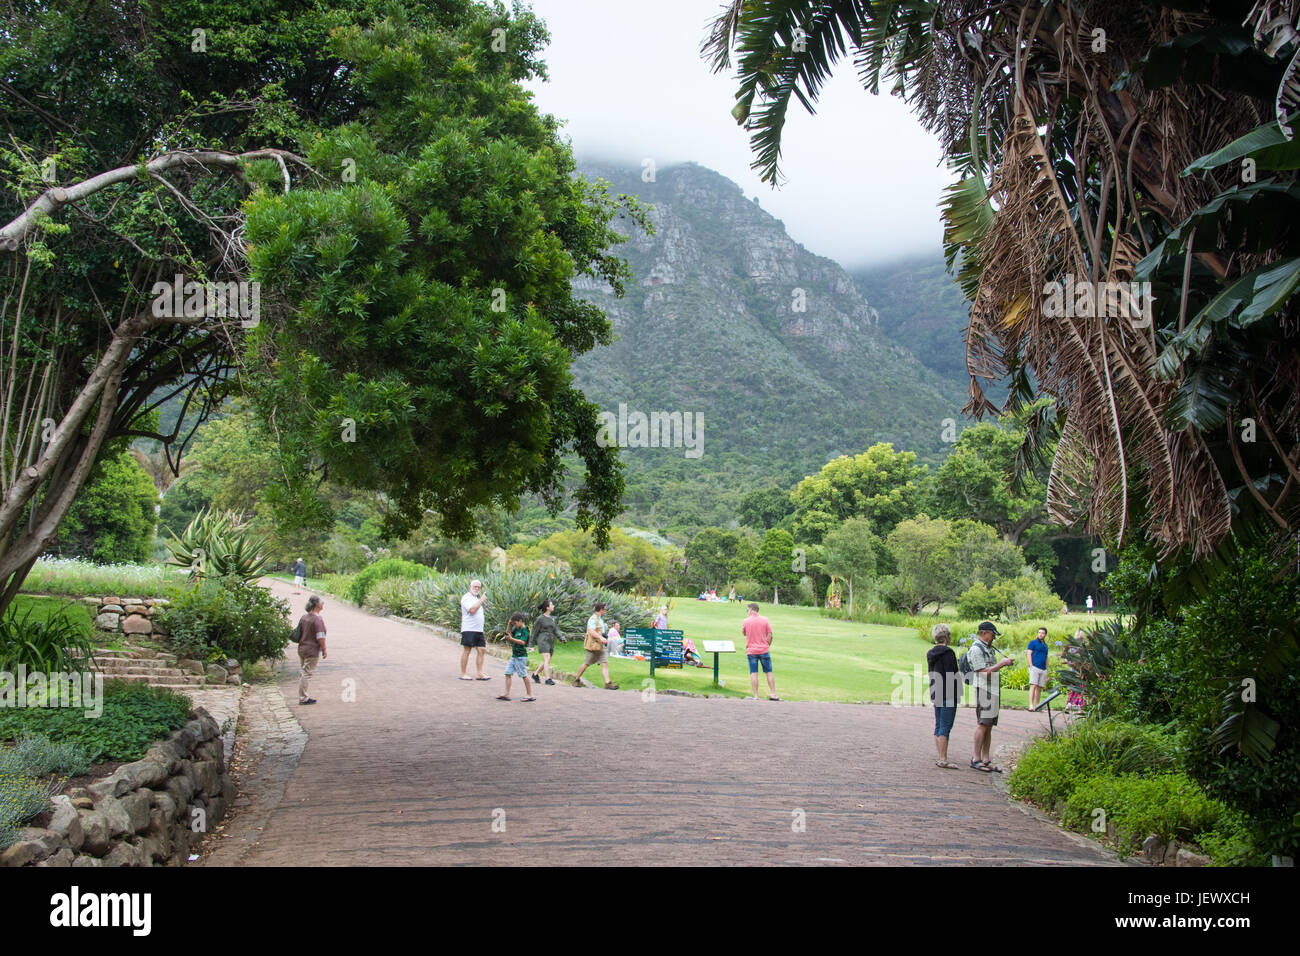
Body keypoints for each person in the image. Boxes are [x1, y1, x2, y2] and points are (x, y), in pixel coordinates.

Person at [967, 621, 1015, 772]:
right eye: (992, 634)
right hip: (984, 690)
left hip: (993, 690)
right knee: (983, 724)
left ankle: (986, 759)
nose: (993, 637)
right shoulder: (976, 649)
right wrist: (1002, 664)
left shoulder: (988, 648)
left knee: (989, 726)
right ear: (984, 632)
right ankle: (976, 758)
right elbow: (983, 672)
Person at [927, 623, 960, 769]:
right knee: (946, 726)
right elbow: (952, 673)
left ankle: (940, 756)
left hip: (936, 691)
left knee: (939, 724)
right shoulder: (949, 653)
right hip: (948, 692)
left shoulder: (931, 653)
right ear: (947, 636)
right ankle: (943, 758)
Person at [573, 602, 619, 689]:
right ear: (601, 609)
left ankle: (607, 683)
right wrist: (601, 638)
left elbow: (601, 631)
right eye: (605, 609)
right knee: (586, 663)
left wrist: (605, 637)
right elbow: (591, 631)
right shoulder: (592, 619)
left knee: (605, 662)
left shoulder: (600, 619)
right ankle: (576, 680)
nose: (605, 611)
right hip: (593, 646)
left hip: (601, 646)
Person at [741, 603, 779, 700]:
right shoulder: (765, 620)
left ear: (751, 610)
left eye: (747, 610)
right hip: (764, 649)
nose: (747, 612)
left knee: (754, 673)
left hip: (751, 650)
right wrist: (767, 645)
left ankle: (756, 696)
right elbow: (770, 634)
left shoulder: (746, 621)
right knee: (769, 672)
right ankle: (773, 694)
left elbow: (744, 633)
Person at [497, 612, 536, 702]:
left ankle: (529, 694)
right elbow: (507, 634)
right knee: (507, 673)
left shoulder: (525, 630)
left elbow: (522, 642)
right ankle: (506, 694)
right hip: (514, 656)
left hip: (521, 657)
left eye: (515, 623)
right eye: (513, 624)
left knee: (523, 675)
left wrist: (512, 639)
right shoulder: (516, 629)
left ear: (520, 621)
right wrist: (508, 624)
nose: (514, 625)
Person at [296, 595, 327, 705]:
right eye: (321, 602)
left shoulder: (305, 617)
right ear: (317, 605)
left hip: (302, 648)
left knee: (303, 671)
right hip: (311, 650)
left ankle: (302, 695)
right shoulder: (317, 619)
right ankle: (303, 697)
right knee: (306, 673)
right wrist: (324, 649)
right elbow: (320, 636)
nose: (323, 603)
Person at [459, 579, 490, 681]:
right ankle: (463, 673)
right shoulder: (466, 598)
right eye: (475, 586)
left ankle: (479, 673)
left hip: (478, 630)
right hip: (469, 629)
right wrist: (481, 600)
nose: (477, 589)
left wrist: (480, 601)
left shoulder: (476, 598)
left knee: (482, 649)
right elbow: (472, 610)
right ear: (470, 587)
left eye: (478, 587)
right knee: (467, 650)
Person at [531, 599, 564, 686]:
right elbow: (534, 632)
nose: (553, 606)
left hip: (551, 640)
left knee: (547, 660)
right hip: (543, 640)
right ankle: (548, 679)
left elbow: (556, 629)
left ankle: (535, 674)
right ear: (547, 607)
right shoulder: (540, 619)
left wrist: (561, 638)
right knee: (547, 658)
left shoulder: (552, 619)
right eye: (552, 605)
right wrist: (531, 644)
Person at [1026, 626, 1050, 709]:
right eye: (1039, 632)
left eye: (1042, 633)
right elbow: (1029, 653)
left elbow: (1046, 657)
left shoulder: (1045, 646)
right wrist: (1031, 665)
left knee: (1039, 688)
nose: (1040, 634)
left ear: (1045, 635)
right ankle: (1031, 705)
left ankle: (1037, 705)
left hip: (1043, 668)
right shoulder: (1033, 643)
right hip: (1035, 667)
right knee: (1033, 685)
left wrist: (1047, 668)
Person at [1066, 628, 1087, 710]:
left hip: (1081, 671)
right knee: (1075, 687)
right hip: (1075, 671)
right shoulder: (1072, 647)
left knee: (1081, 688)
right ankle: (1072, 703)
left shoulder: (1083, 647)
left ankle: (1079, 704)